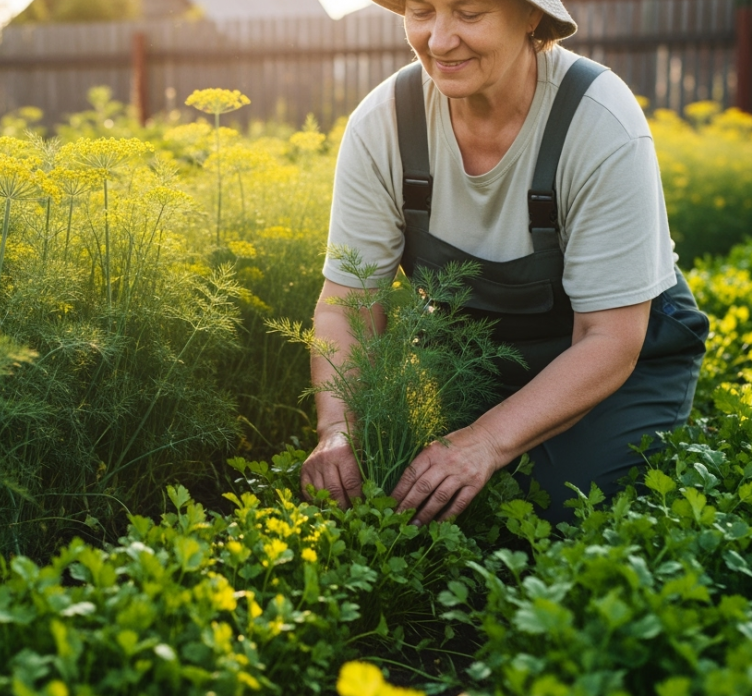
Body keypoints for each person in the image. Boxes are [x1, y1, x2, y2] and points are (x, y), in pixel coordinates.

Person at [301, 0, 709, 525]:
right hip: (473, 351)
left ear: (532, 17)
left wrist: (485, 442)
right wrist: (339, 429)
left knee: (558, 505)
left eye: (469, 13)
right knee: (395, 480)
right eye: (422, 11)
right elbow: (346, 307)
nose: (440, 40)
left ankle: (662, 425)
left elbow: (610, 338)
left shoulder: (597, 118)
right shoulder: (385, 123)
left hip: (616, 354)